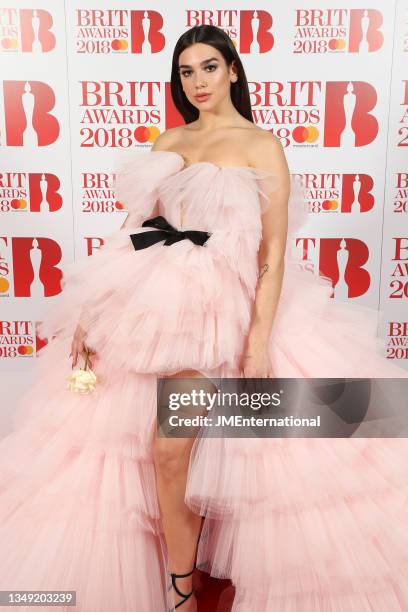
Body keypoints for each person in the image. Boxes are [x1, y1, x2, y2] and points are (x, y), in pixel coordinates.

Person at [1, 23, 408, 612]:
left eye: (209, 68)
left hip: (230, 308)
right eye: (187, 71)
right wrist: (90, 313)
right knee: (162, 451)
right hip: (160, 310)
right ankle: (180, 588)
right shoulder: (170, 140)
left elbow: (272, 253)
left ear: (234, 71)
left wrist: (258, 340)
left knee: (224, 453)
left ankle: (196, 581)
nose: (198, 82)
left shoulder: (262, 145)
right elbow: (131, 233)